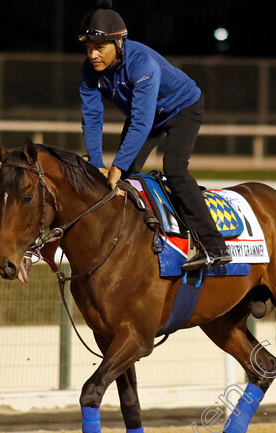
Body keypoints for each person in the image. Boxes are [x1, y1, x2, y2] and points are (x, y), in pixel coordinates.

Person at [78, 0, 232, 271]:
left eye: (99, 48)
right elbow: (92, 118)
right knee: (122, 177)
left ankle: (214, 245)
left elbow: (141, 121)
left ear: (119, 44)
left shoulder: (142, 63)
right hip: (147, 116)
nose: (93, 55)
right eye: (89, 48)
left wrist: (115, 167)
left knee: (174, 169)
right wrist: (97, 164)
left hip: (184, 107)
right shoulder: (88, 72)